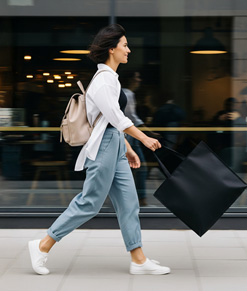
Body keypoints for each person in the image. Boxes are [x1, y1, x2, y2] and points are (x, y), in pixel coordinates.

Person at [28, 24, 170, 276]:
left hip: (114, 144)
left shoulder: (112, 79)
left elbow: (108, 121)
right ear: (112, 49)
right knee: (90, 202)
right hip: (104, 146)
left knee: (129, 203)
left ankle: (138, 260)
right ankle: (42, 245)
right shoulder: (103, 81)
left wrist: (126, 148)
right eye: (125, 45)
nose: (129, 49)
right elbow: (116, 118)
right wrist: (143, 138)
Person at [121, 71, 150, 206]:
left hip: (127, 135)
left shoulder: (123, 92)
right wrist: (148, 133)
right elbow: (131, 117)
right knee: (140, 167)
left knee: (131, 167)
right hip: (129, 135)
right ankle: (141, 198)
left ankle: (134, 198)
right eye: (137, 77)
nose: (139, 80)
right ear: (131, 79)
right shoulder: (128, 93)